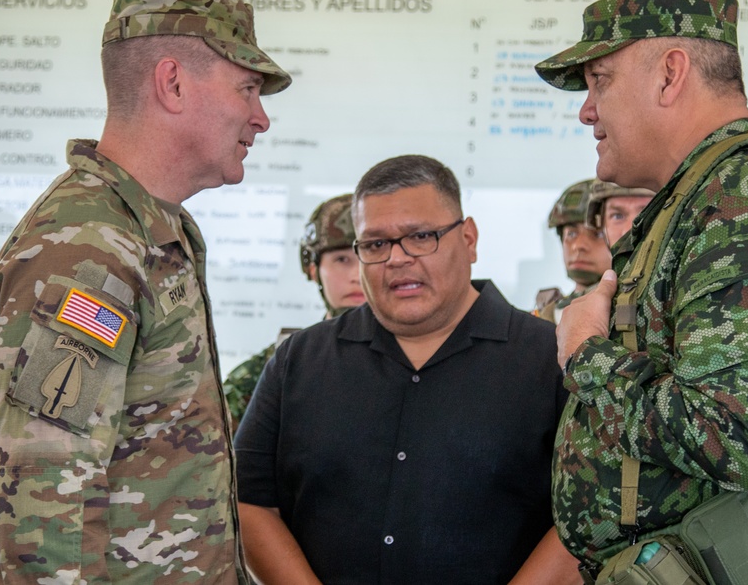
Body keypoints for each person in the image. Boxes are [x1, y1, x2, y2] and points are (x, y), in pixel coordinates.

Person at [534, 0, 748, 583]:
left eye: (600, 80)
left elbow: (737, 435)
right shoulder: (708, 196)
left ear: (670, 74)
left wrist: (586, 354)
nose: (587, 109)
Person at [0, 0, 291, 584]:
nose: (260, 118)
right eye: (248, 88)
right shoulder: (89, 250)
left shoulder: (154, 231)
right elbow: (47, 506)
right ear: (172, 83)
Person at [234, 155, 581, 584]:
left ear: (469, 239)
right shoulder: (299, 360)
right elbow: (249, 500)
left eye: (421, 236)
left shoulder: (551, 359)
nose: (397, 259)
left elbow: (585, 516)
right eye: (375, 244)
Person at [223, 193, 365, 427]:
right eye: (342, 259)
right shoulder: (284, 362)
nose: (356, 276)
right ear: (312, 269)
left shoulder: (417, 356)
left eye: (367, 256)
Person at [535, 179, 652, 323]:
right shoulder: (548, 312)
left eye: (597, 234)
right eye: (571, 234)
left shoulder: (641, 305)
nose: (578, 246)